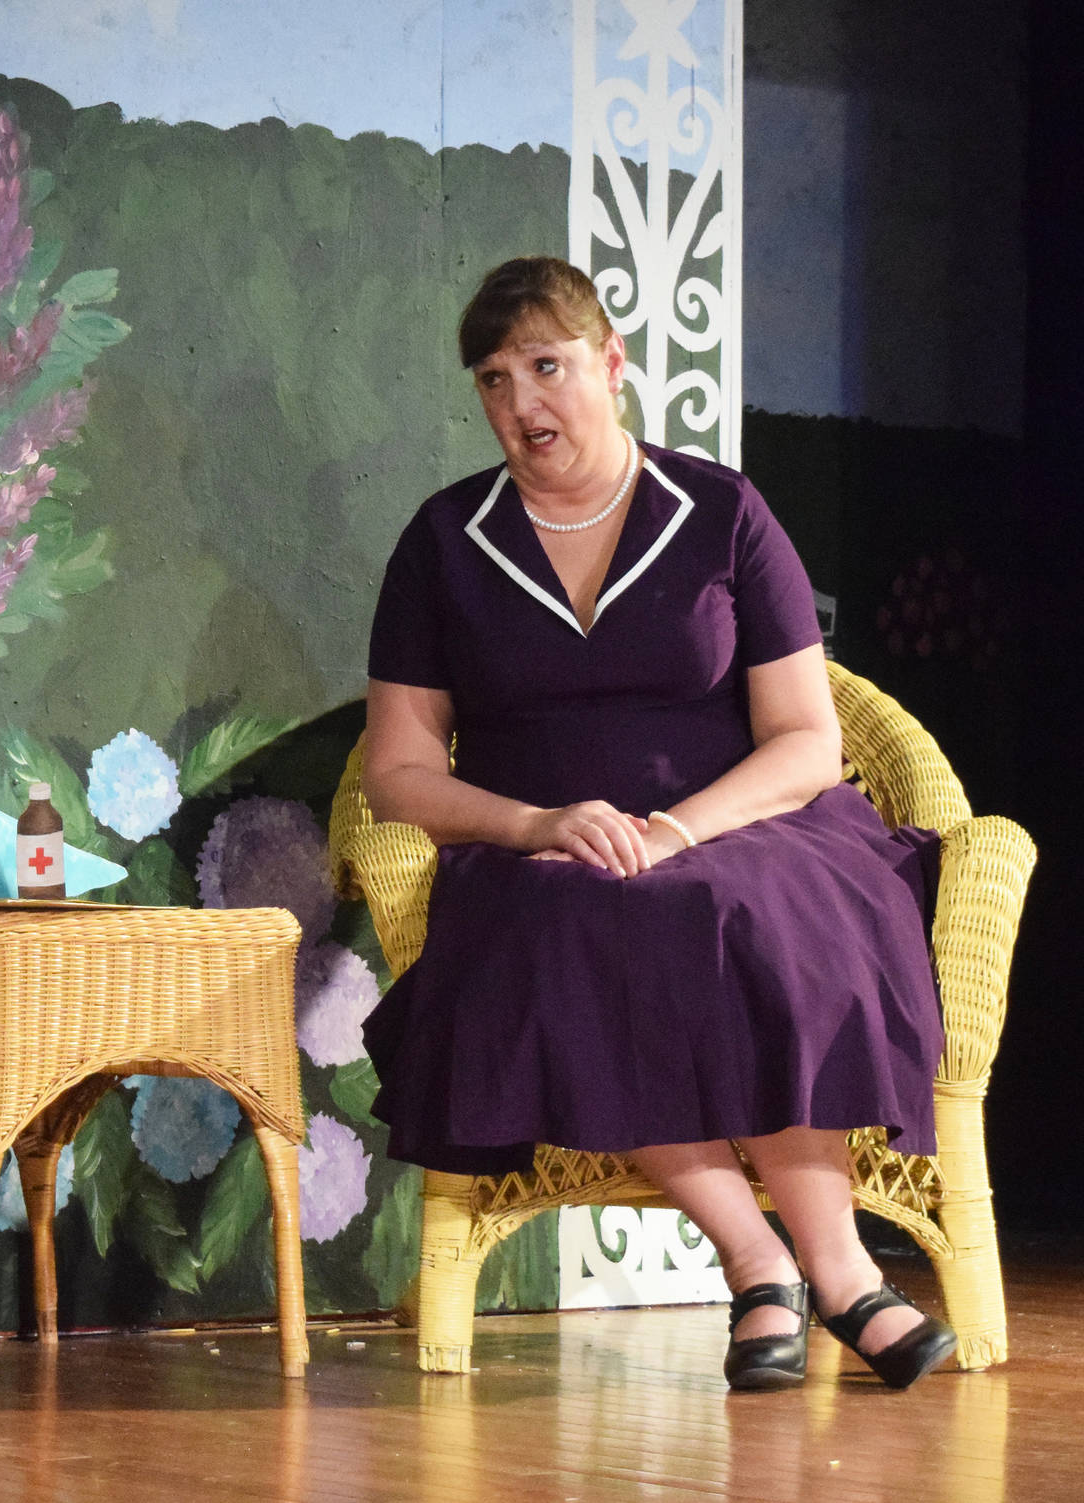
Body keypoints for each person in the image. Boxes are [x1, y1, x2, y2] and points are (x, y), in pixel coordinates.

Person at [360, 257, 958, 1391]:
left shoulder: (722, 511)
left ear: (610, 363)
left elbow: (803, 739)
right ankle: (755, 1262)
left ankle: (836, 1272)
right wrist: (533, 823)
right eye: (494, 380)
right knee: (582, 924)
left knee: (757, 909)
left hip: (742, 823)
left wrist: (679, 831)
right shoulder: (443, 541)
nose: (522, 403)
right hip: (541, 846)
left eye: (547, 366)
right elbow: (394, 770)